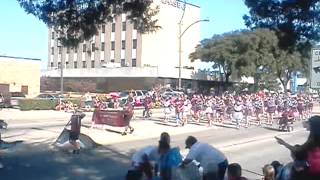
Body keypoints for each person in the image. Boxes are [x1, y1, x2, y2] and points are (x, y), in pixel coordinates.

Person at [275, 115, 320, 180]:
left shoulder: (313, 140)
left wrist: (284, 143)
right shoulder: (314, 137)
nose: (307, 124)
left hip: (315, 171)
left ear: (313, 126)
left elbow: (298, 150)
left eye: (309, 123)